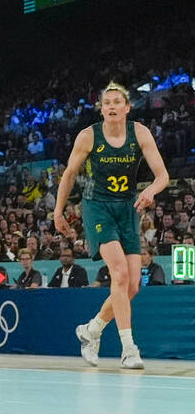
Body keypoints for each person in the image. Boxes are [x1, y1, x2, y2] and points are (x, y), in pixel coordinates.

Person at [55, 82, 169, 369]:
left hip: (128, 208)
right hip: (98, 207)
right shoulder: (88, 136)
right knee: (118, 273)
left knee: (131, 287)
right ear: (102, 109)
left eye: (118, 102)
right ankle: (129, 349)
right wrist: (58, 212)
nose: (112, 106)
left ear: (127, 108)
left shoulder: (139, 132)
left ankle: (92, 330)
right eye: (107, 103)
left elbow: (162, 176)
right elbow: (69, 175)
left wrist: (150, 191)